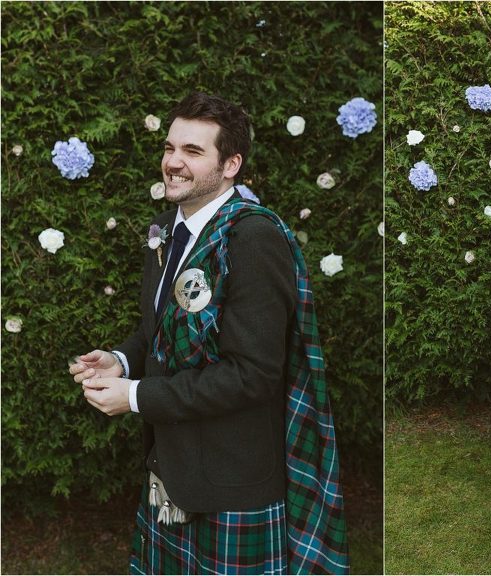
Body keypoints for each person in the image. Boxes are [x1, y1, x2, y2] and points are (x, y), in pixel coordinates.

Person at [70, 92, 349, 574]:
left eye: (193, 152)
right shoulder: (165, 229)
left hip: (232, 481)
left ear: (231, 164)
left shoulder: (252, 237)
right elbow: (159, 329)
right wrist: (122, 360)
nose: (173, 163)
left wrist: (135, 396)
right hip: (174, 468)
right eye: (169, 148)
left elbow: (254, 374)